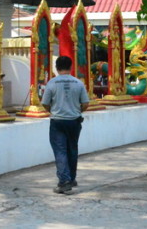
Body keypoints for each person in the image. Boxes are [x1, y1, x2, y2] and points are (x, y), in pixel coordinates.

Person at [41, 55, 90, 194]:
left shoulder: (52, 83)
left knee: (60, 150)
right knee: (72, 149)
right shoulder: (78, 83)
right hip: (74, 121)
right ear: (70, 67)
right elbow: (85, 103)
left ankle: (64, 181)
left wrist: (52, 110)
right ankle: (71, 178)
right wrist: (77, 111)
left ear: (56, 68)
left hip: (57, 121)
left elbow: (45, 103)